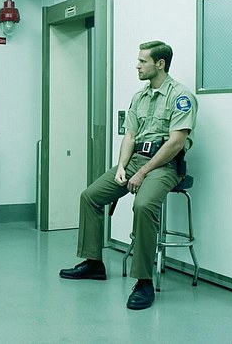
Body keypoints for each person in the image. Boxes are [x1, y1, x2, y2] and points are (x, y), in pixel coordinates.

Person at [59, 40, 197, 310]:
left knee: (143, 205)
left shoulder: (180, 96)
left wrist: (143, 172)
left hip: (165, 165)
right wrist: (122, 166)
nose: (137, 65)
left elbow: (176, 143)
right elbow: (130, 136)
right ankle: (94, 263)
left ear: (160, 64)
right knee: (90, 196)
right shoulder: (139, 97)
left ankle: (144, 281)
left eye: (143, 61)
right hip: (135, 161)